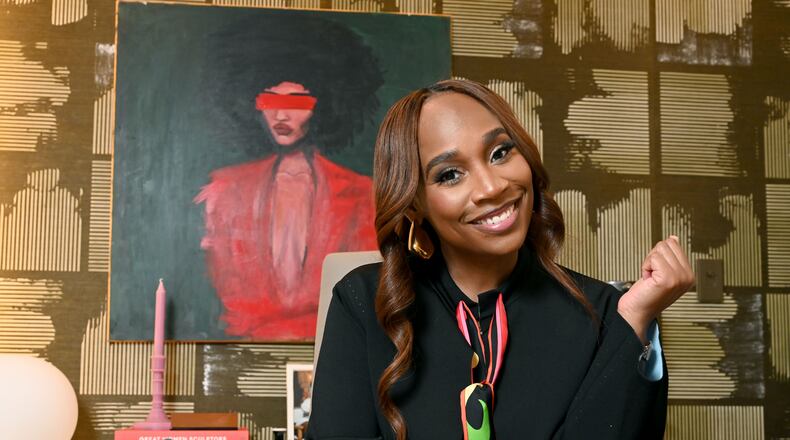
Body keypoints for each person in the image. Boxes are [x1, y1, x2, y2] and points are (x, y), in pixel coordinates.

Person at [306, 79, 695, 439]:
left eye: (500, 152)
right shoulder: (364, 302)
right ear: (414, 206)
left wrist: (635, 322)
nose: (492, 187)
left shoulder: (607, 314)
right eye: (449, 175)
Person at [194, 17, 383, 339]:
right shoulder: (224, 191)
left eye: (297, 101)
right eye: (270, 100)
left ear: (325, 104)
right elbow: (233, 303)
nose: (281, 115)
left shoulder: (361, 193)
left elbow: (362, 296)